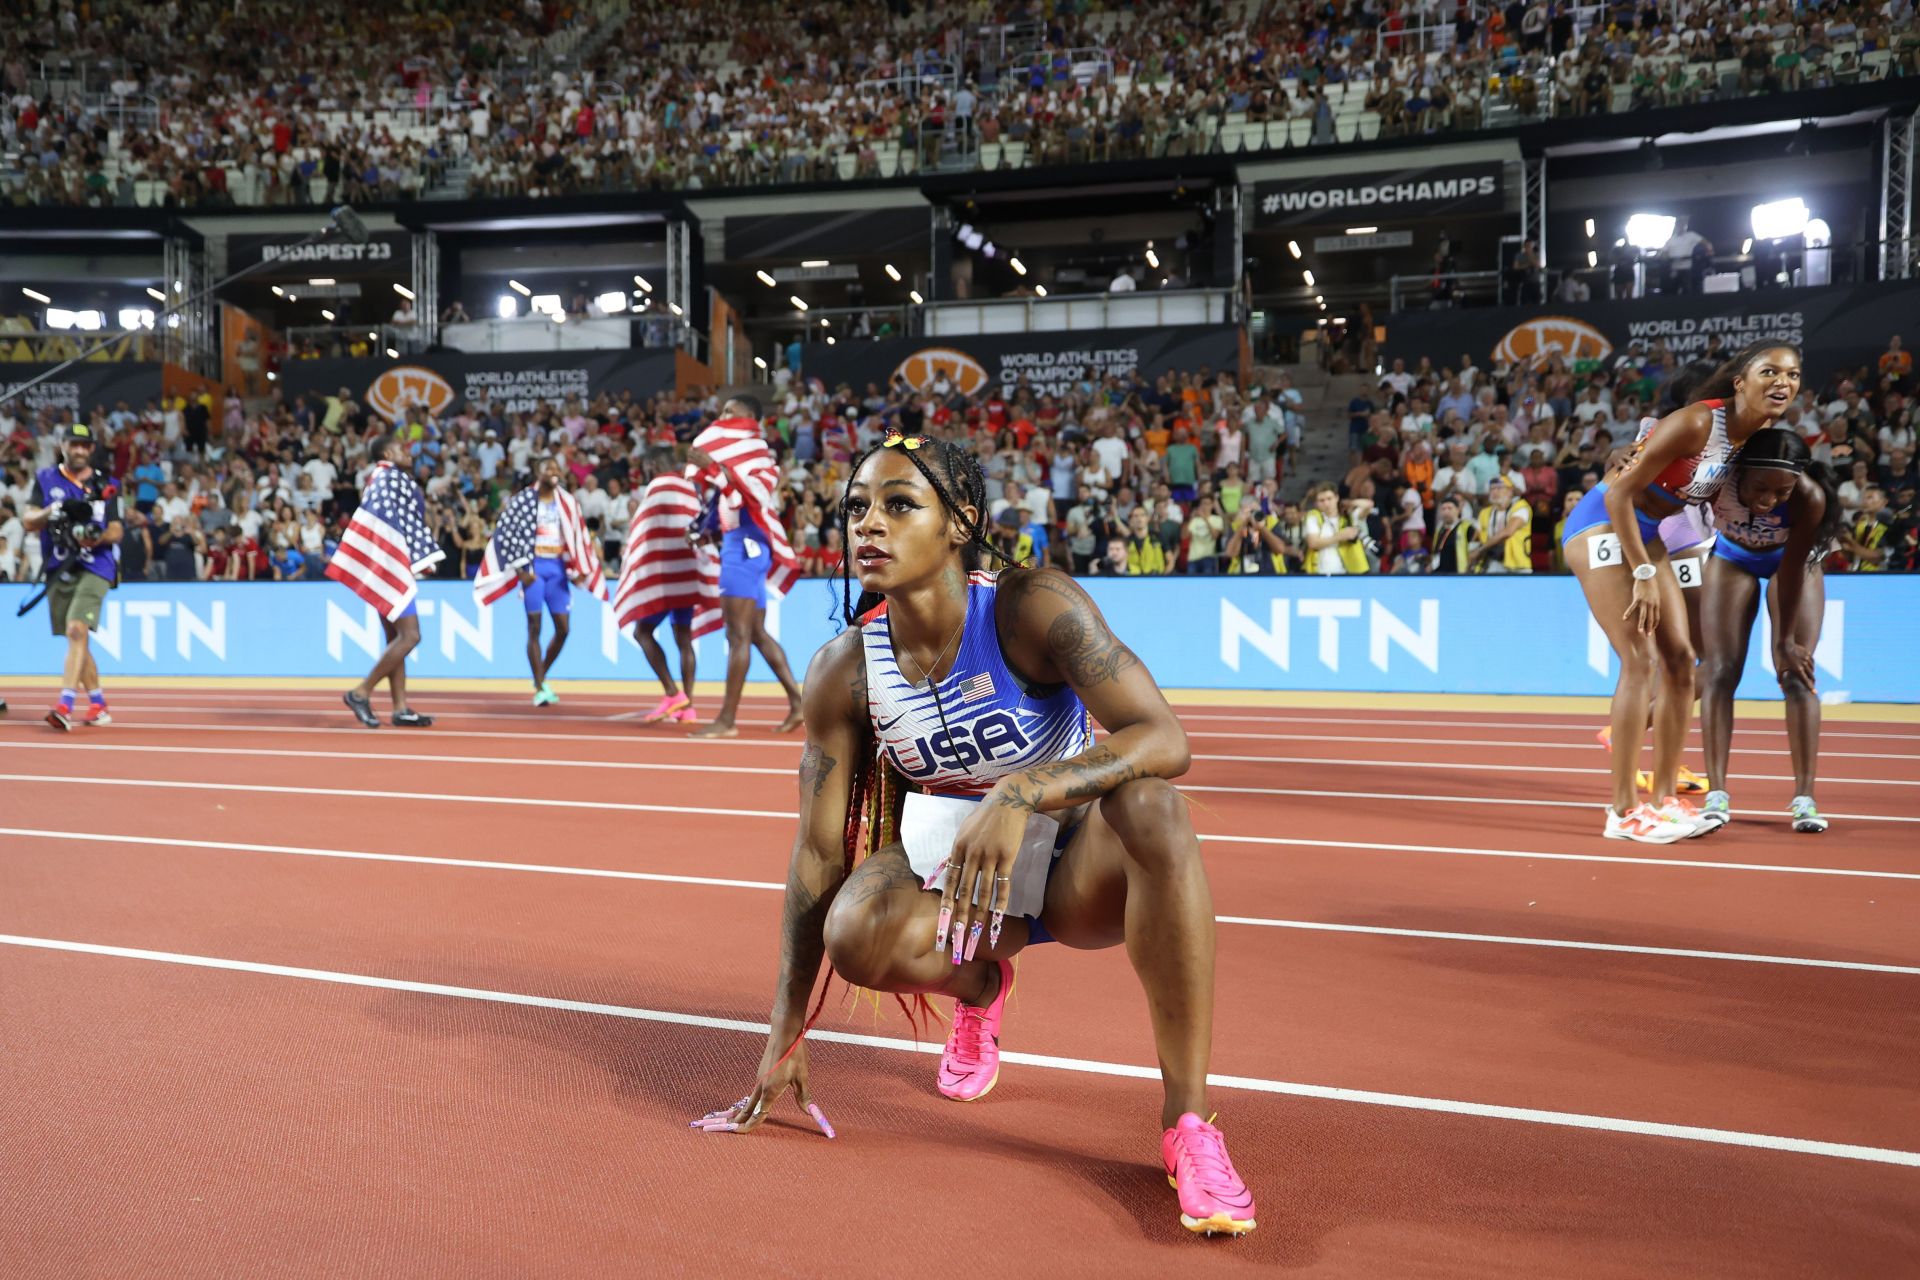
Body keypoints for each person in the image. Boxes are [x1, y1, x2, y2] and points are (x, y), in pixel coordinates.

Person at [691, 433, 1258, 1238]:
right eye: (856, 508)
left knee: (1155, 807)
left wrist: (1021, 792)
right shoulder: (844, 669)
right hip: (958, 881)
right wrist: (786, 1031)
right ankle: (982, 990)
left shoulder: (1034, 607)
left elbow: (1163, 737)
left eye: (898, 505)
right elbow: (818, 853)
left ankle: (1190, 1126)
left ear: (959, 522)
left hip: (1072, 864)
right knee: (856, 932)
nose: (868, 526)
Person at [1558, 342, 1802, 842]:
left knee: (1682, 659)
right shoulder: (1697, 423)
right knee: (1639, 659)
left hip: (1648, 533)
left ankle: (1663, 799)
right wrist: (1644, 574)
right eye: (1769, 371)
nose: (1783, 382)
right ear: (1740, 382)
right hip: (1603, 523)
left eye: (1793, 374)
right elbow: (1621, 491)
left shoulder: (1756, 437)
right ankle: (1623, 811)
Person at [1695, 430, 1843, 835]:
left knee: (1796, 673)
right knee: (1720, 672)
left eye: (1781, 492)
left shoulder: (1810, 497)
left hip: (1790, 563)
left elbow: (1793, 570)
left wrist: (1784, 645)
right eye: (1759, 488)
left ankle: (1804, 797)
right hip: (1731, 558)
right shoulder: (1716, 478)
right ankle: (1717, 794)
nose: (1768, 500)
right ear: (1738, 471)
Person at [687, 396, 807, 738]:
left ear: (749, 419)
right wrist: (703, 528)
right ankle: (798, 702)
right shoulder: (736, 463)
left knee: (737, 634)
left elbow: (748, 494)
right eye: (721, 412)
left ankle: (727, 720)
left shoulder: (757, 457)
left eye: (729, 412)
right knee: (755, 633)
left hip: (744, 548)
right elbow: (729, 500)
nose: (722, 417)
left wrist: (714, 469)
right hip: (745, 546)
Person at [327, 433, 443, 728]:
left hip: (385, 567)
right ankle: (360, 692)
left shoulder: (382, 478)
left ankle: (400, 708)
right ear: (388, 454)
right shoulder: (390, 477)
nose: (409, 453)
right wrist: (417, 554)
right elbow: (393, 523)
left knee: (396, 639)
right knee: (411, 636)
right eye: (402, 449)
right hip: (389, 566)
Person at [472, 455, 606, 706]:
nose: (554, 471)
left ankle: (539, 676)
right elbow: (505, 535)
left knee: (563, 629)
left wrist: (579, 568)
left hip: (557, 568)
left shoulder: (566, 501)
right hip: (534, 569)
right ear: (538, 472)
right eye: (549, 468)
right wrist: (521, 570)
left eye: (557, 467)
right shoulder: (522, 500)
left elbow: (578, 536)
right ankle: (541, 684)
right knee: (535, 626)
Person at [22, 422, 122, 730]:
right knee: (76, 638)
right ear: (63, 446)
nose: (79, 450)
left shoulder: (106, 483)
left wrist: (99, 536)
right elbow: (28, 520)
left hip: (96, 565)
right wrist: (53, 510)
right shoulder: (45, 479)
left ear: (92, 449)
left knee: (78, 629)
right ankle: (98, 703)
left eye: (85, 445)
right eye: (73, 444)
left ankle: (64, 704)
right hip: (59, 566)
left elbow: (117, 531)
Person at [613, 459, 722, 725]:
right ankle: (689, 706)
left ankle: (672, 693)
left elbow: (644, 529)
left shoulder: (658, 487)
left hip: (664, 575)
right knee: (684, 639)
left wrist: (632, 557)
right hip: (688, 573)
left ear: (653, 468)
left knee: (642, 632)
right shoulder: (690, 491)